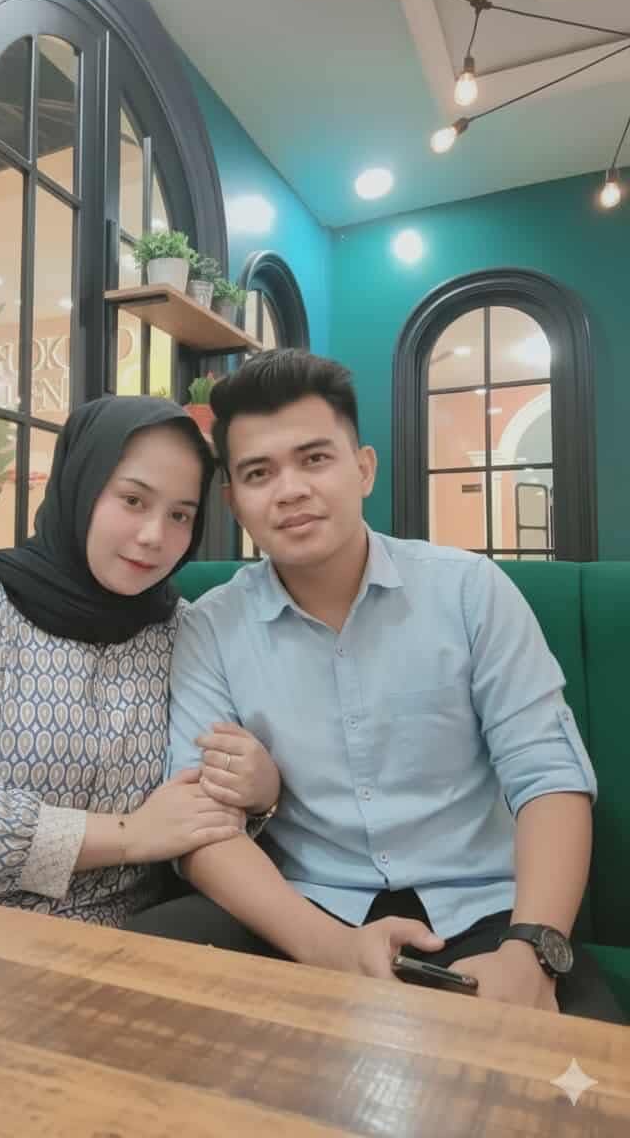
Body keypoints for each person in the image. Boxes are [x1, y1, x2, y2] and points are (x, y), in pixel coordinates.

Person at [127, 350, 626, 1024]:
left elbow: (548, 775)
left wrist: (532, 949)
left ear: (363, 468)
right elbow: (199, 823)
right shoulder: (211, 625)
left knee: (583, 1074)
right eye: (258, 473)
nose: (290, 490)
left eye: (314, 459)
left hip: (482, 912)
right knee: (135, 982)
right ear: (234, 502)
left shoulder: (469, 591)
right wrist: (328, 948)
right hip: (304, 908)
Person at [0, 395, 279, 926]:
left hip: (103, 933)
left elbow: (200, 812)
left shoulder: (182, 631)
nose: (154, 537)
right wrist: (131, 836)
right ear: (81, 485)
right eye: (133, 500)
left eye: (180, 515)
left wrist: (260, 793)